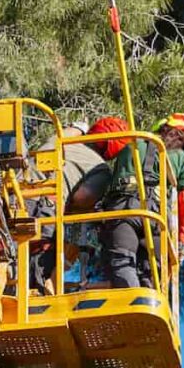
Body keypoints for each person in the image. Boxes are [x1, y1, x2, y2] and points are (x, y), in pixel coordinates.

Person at [99, 113, 184, 289]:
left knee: (122, 262)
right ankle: (144, 303)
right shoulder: (183, 159)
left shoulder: (132, 143)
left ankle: (133, 303)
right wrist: (182, 240)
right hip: (157, 219)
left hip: (123, 211)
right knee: (151, 273)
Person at [28, 117, 128, 294]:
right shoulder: (100, 168)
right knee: (37, 264)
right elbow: (82, 198)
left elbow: (46, 148)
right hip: (44, 210)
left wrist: (76, 129)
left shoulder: (60, 141)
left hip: (11, 198)